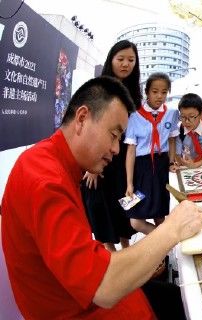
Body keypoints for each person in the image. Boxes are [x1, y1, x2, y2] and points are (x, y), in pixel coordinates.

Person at [1, 76, 202, 319]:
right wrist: (172, 229)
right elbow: (103, 287)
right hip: (79, 311)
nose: (116, 148)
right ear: (83, 118)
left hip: (85, 299)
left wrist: (137, 264)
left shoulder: (47, 160)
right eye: (114, 134)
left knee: (176, 296)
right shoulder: (45, 181)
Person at [81, 40, 141, 252]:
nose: (126, 64)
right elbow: (89, 126)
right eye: (121, 59)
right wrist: (92, 165)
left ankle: (126, 249)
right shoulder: (99, 89)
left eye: (131, 60)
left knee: (124, 206)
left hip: (124, 158)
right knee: (100, 206)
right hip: (100, 154)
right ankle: (109, 255)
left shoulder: (135, 92)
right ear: (111, 60)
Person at [125, 72, 179, 235]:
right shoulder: (135, 115)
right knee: (135, 221)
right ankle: (166, 238)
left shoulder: (171, 114)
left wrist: (171, 162)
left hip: (161, 167)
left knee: (160, 215)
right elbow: (131, 150)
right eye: (155, 91)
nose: (160, 96)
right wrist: (129, 183)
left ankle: (162, 256)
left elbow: (171, 140)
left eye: (164, 92)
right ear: (147, 92)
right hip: (141, 170)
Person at [176, 93, 202, 168]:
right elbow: (177, 155)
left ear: (201, 114)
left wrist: (195, 165)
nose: (186, 121)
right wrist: (184, 162)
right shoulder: (178, 129)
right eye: (183, 117)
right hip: (185, 165)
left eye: (191, 116)